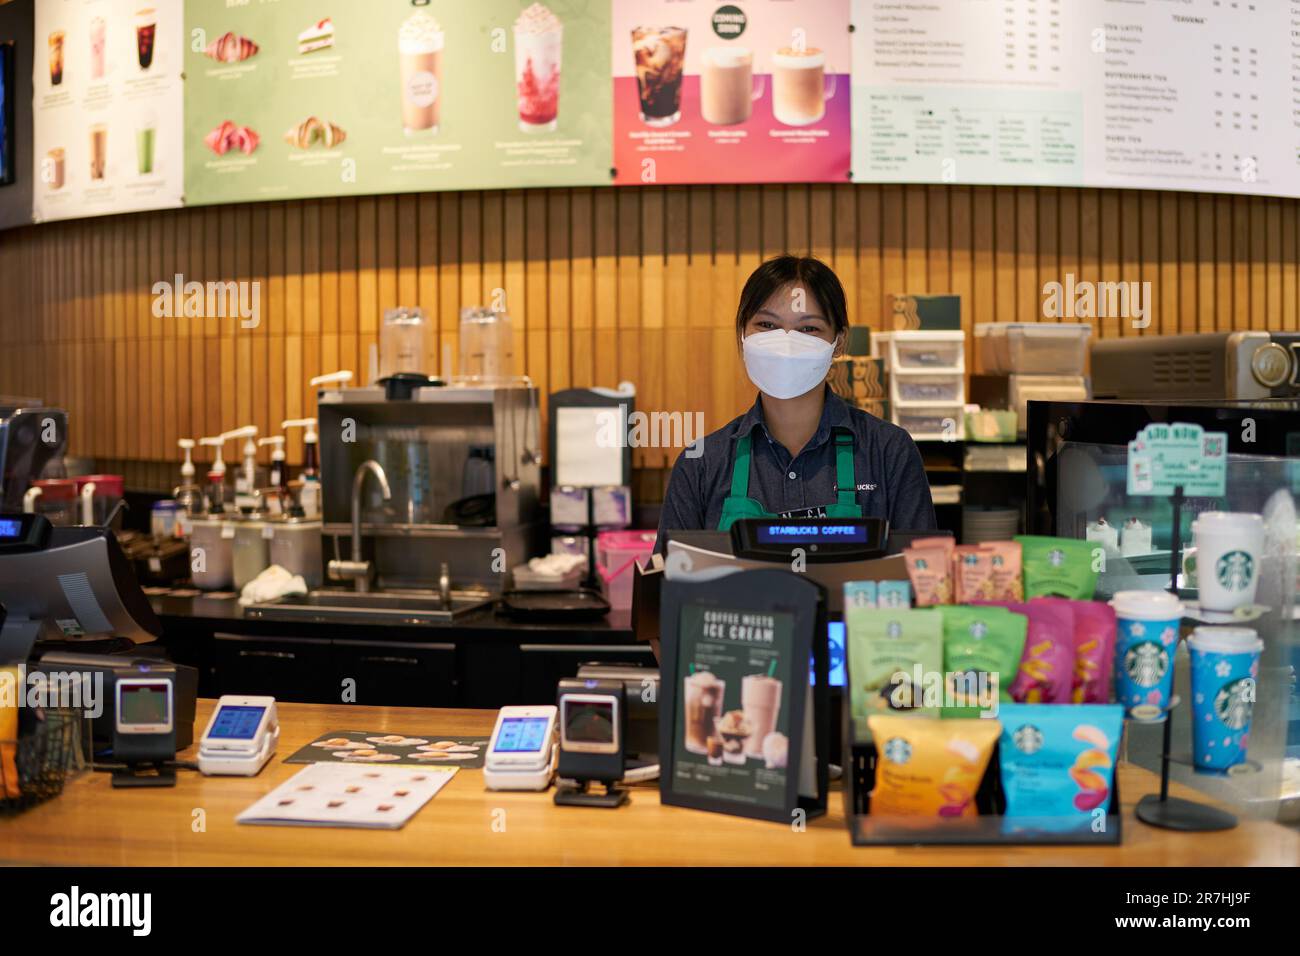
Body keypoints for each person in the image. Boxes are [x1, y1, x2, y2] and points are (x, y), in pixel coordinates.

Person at [655, 254, 937, 553]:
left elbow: (927, 575)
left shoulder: (888, 451)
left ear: (838, 342)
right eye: (767, 324)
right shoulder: (702, 464)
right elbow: (664, 588)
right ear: (741, 335)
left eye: (808, 329)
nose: (786, 342)